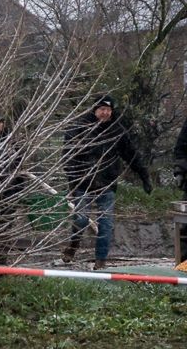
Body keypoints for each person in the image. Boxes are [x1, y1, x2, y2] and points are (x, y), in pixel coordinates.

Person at [62, 95, 151, 270]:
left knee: (106, 225)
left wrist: (144, 176)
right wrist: (72, 178)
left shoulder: (117, 130)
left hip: (107, 183)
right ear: (95, 110)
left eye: (108, 110)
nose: (105, 113)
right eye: (102, 109)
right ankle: (73, 244)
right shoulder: (80, 127)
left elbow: (131, 154)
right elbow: (67, 155)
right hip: (83, 182)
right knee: (81, 219)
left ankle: (100, 261)